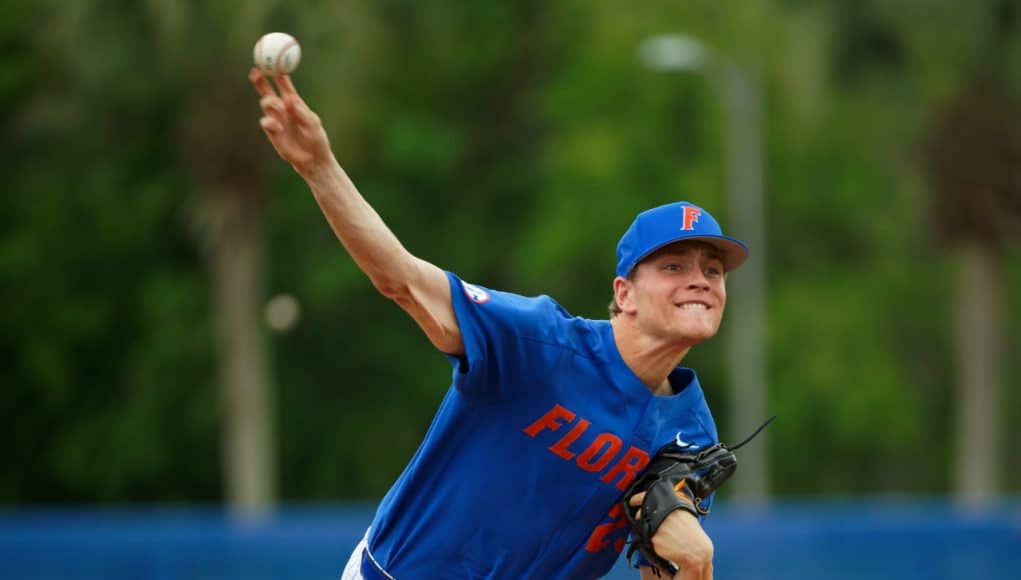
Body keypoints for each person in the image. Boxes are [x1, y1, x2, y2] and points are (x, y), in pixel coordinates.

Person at [250, 68, 749, 580]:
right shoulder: (538, 343)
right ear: (625, 294)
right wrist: (319, 166)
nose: (700, 281)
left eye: (713, 271)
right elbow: (403, 279)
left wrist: (687, 562)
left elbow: (657, 564)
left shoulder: (689, 428)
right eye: (673, 267)